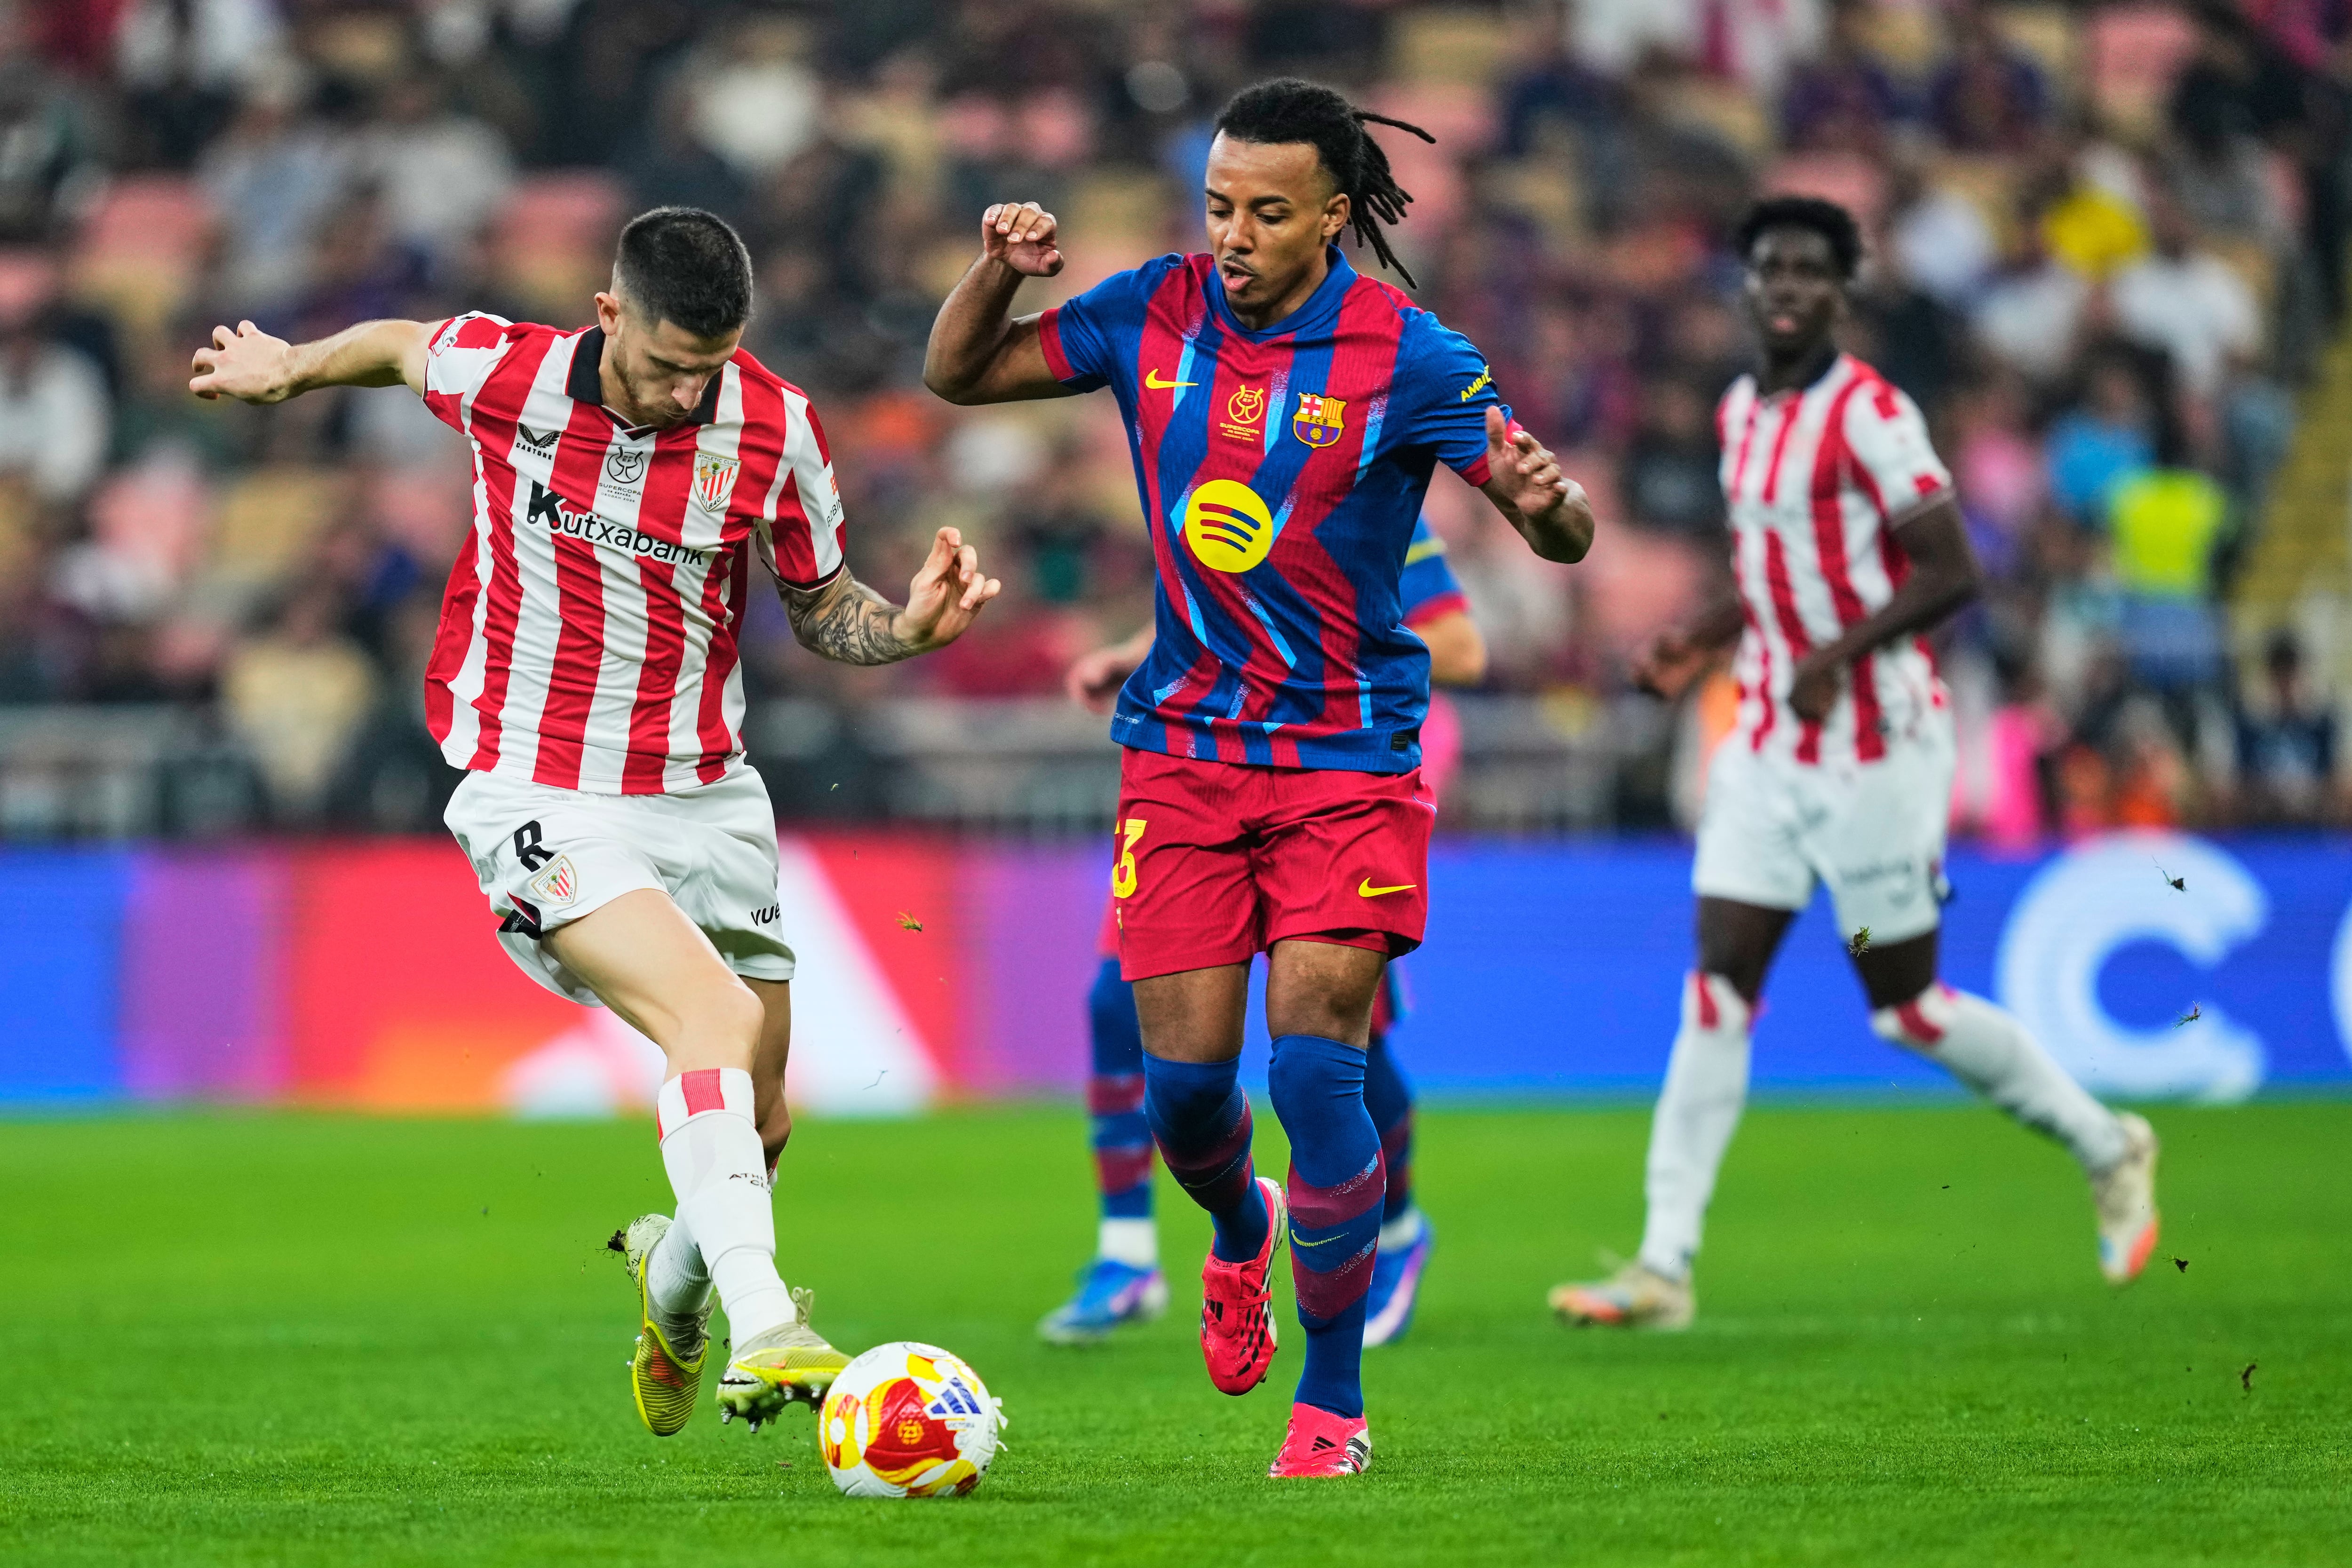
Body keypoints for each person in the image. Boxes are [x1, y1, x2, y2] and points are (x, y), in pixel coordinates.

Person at [189, 207, 1001, 1436]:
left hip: (703, 789)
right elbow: (406, 344)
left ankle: (673, 1286)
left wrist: (910, 630)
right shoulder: (508, 372)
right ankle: (771, 1327)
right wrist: (293, 367)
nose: (689, 391)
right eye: (670, 363)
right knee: (712, 1018)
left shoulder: (772, 426)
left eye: (711, 366)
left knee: (761, 1118)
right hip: (534, 784)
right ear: (610, 314)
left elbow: (826, 604)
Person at [924, 77, 1592, 1477]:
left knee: (1315, 1065)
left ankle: (1333, 1402)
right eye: (1219, 204)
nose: (1232, 233)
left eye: (1267, 212)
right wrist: (994, 270)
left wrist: (1551, 505)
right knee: (1183, 1100)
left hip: (1349, 758)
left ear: (1336, 217)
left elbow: (1556, 524)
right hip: (1183, 755)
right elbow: (961, 375)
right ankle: (1242, 1227)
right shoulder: (1151, 310)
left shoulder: (1410, 353)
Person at [1550, 196, 2159, 1332]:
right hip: (1770, 750)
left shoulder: (1872, 414)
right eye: (1768, 268)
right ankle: (1663, 1263)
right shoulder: (1741, 412)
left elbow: (1950, 569)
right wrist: (1701, 635)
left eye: (1809, 271)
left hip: (1877, 759)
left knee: (1905, 1006)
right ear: (1747, 285)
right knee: (1717, 982)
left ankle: (2107, 1141)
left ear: (1842, 290)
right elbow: (1776, 573)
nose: (1785, 286)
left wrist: (1838, 652)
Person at [1038, 515, 1486, 1351]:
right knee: (1116, 997)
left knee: (1336, 1044)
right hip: (1199, 763)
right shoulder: (1229, 479)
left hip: (1341, 761)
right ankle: (1128, 1253)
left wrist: (1322, 656)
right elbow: (1221, 606)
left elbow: (1459, 649)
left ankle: (1396, 1228)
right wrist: (1138, 651)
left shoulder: (1374, 480)